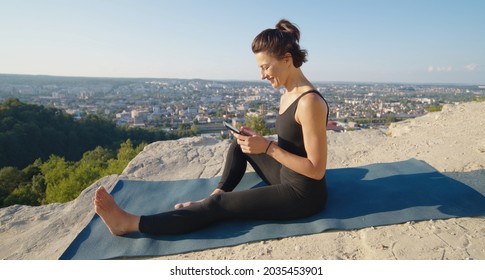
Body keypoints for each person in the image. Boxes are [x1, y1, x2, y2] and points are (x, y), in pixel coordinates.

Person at [94, 19, 329, 236]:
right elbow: (295, 146)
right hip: (285, 175)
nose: (262, 75)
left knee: (219, 207)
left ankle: (129, 224)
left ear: (287, 60)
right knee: (240, 147)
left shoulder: (310, 103)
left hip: (302, 195)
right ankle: (215, 196)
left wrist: (268, 148)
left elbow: (316, 170)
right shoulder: (288, 93)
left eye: (266, 67)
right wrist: (259, 144)